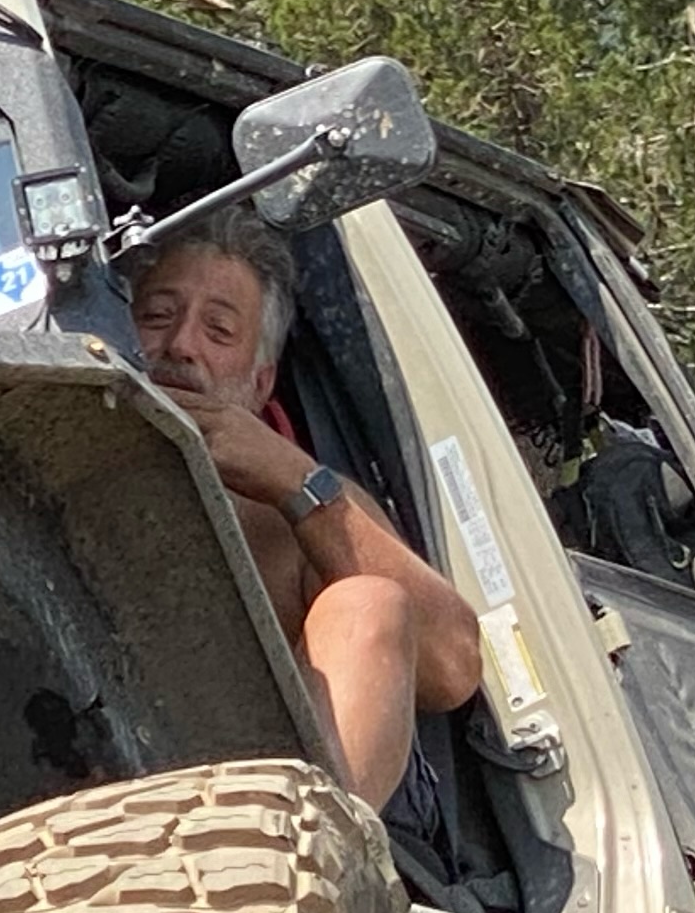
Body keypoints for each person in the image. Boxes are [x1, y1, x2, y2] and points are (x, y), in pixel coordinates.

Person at [130, 213, 481, 811]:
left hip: (246, 835)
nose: (181, 345)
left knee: (367, 602)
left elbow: (452, 663)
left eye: (218, 331)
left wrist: (293, 480)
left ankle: (317, 858)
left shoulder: (296, 506)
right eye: (157, 316)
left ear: (261, 382)